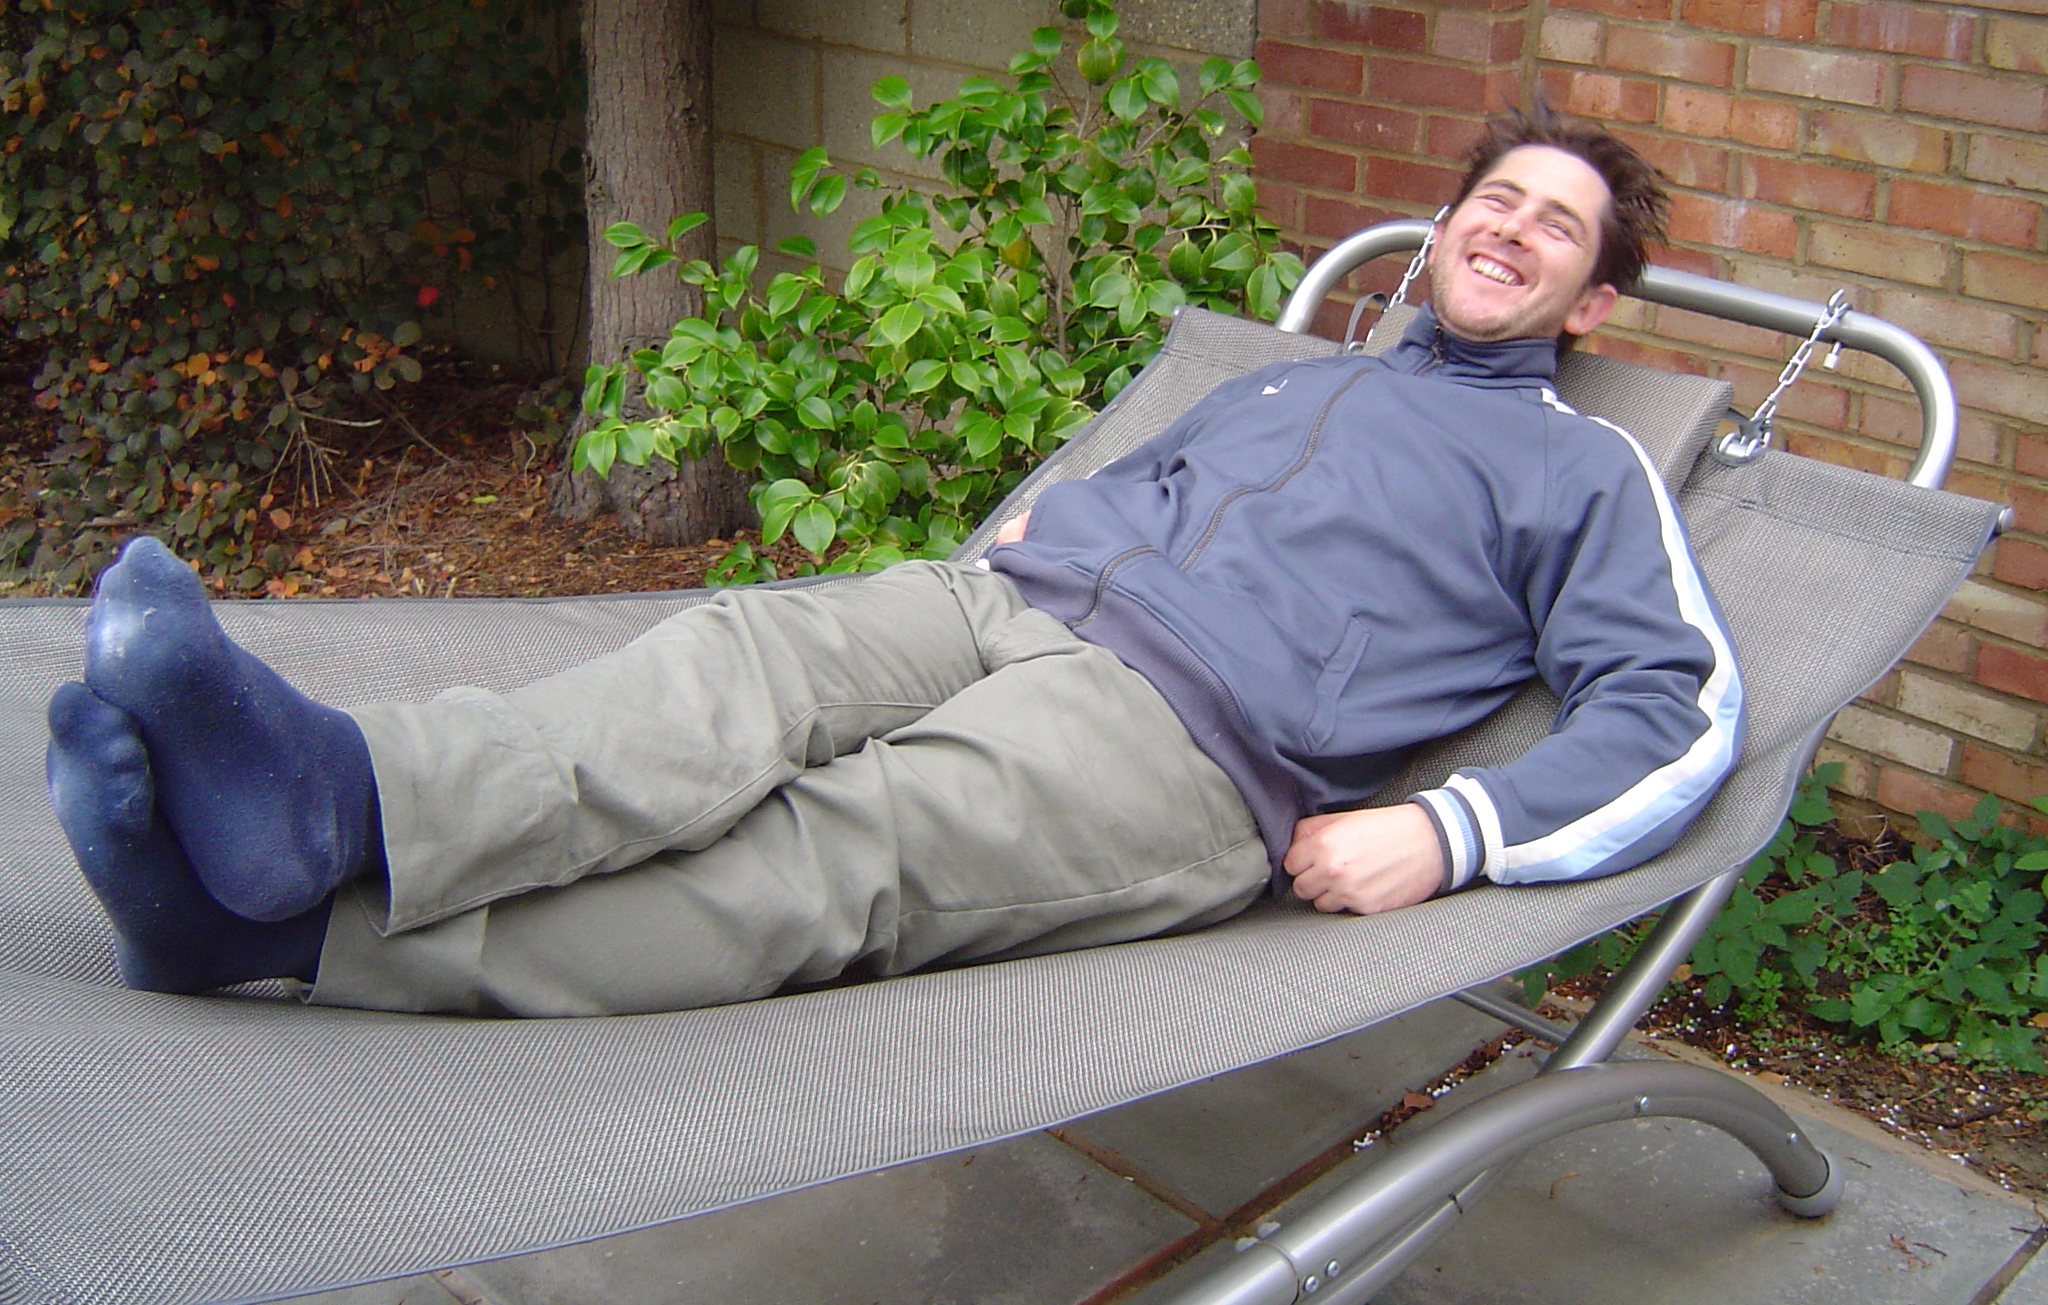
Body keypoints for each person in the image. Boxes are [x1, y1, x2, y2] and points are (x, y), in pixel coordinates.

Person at [44, 102, 1742, 1017]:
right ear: (1444, 226)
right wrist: (1050, 527)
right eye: (1495, 199)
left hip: (1183, 741)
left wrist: (1451, 832)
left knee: (818, 856)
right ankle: (334, 801)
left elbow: (1675, 713)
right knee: (727, 664)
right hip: (999, 600)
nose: (1510, 228)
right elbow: (1151, 476)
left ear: (1591, 302)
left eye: (1557, 225)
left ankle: (287, 942)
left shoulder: (1580, 469)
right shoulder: (1302, 377)